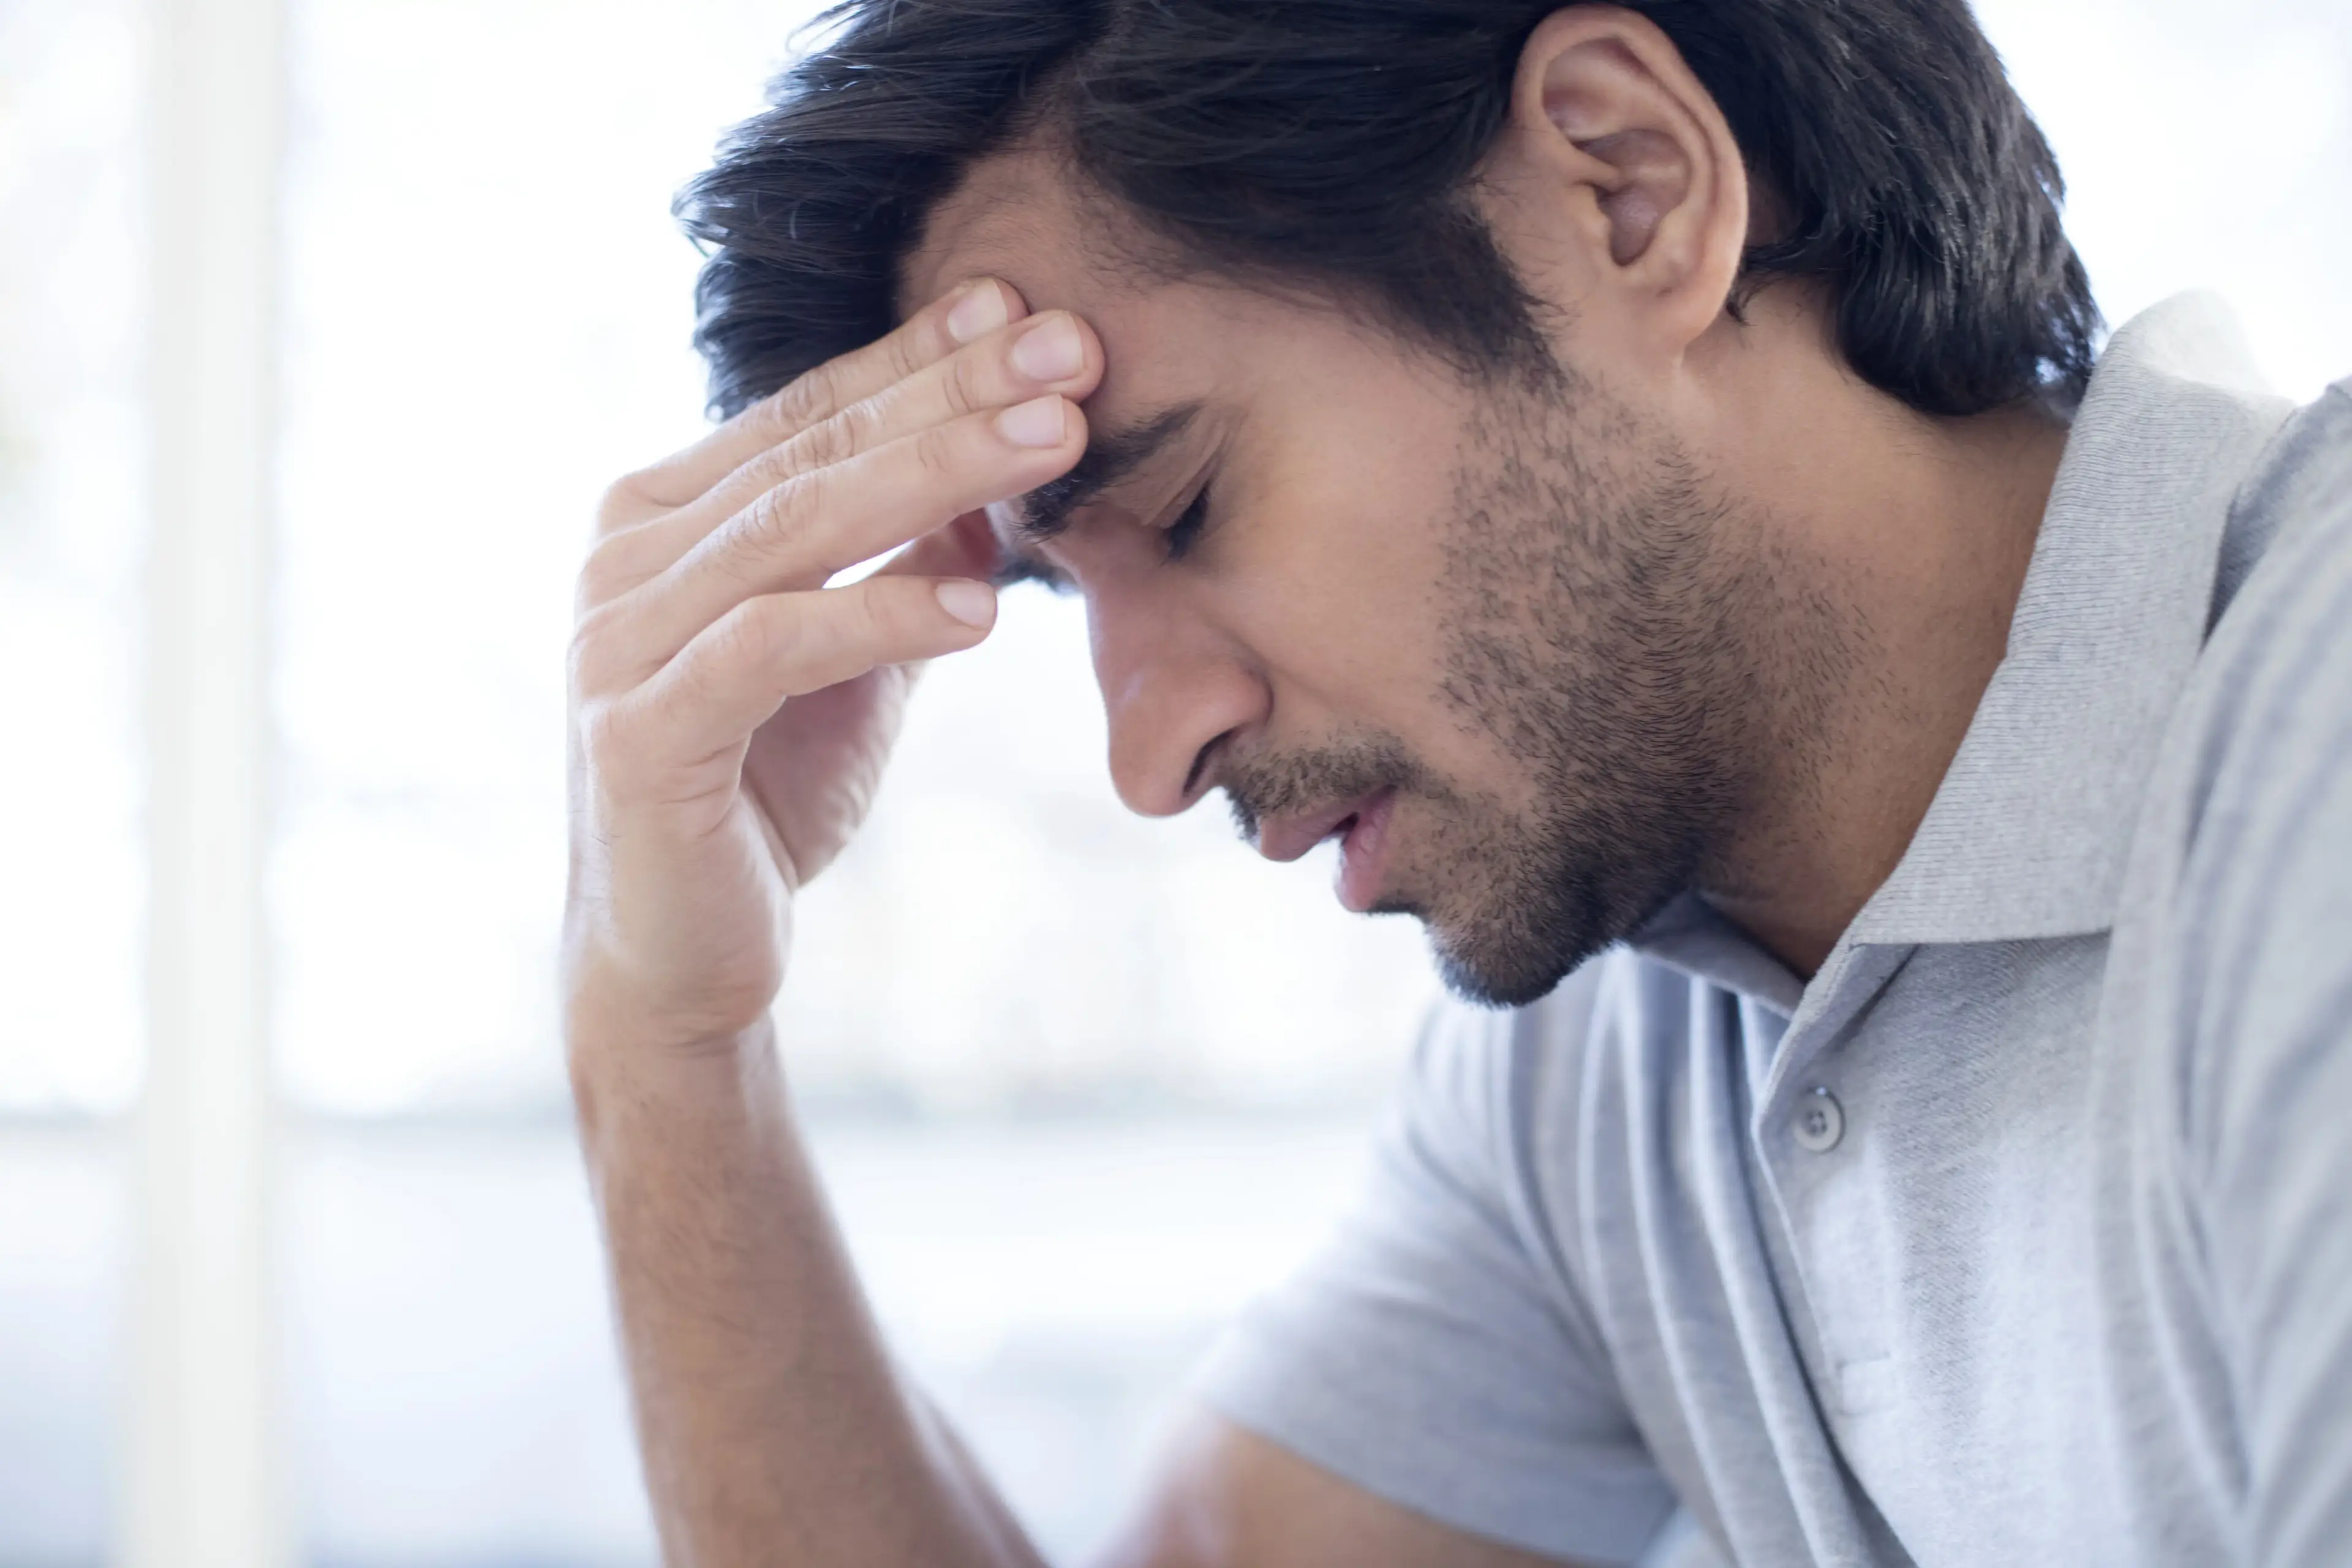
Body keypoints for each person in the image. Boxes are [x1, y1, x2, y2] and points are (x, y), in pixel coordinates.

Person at [558, 0, 2352, 1562]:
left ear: (1626, 187)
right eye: (1059, 590)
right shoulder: (1610, 1047)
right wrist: (666, 1047)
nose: (1145, 754)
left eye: (1184, 506)